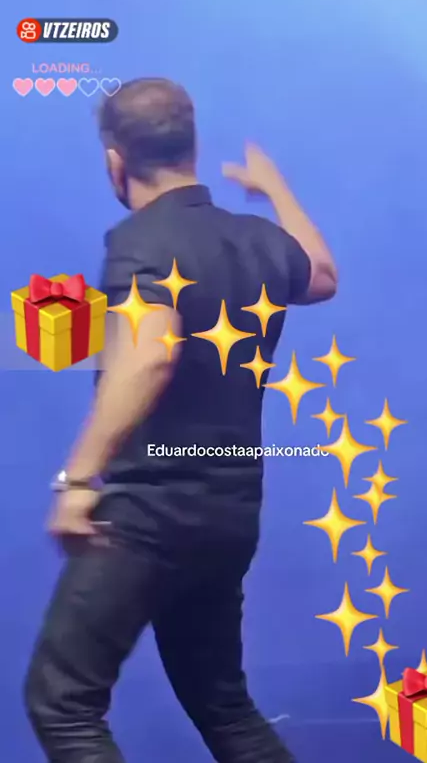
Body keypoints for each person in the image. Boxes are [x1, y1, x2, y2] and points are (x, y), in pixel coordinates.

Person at [24, 78, 338, 763]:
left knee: (63, 704)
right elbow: (320, 273)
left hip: (150, 516)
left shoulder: (143, 241)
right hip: (229, 513)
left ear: (115, 160)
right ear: (191, 147)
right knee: (224, 707)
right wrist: (274, 190)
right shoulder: (255, 240)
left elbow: (150, 355)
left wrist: (78, 479)